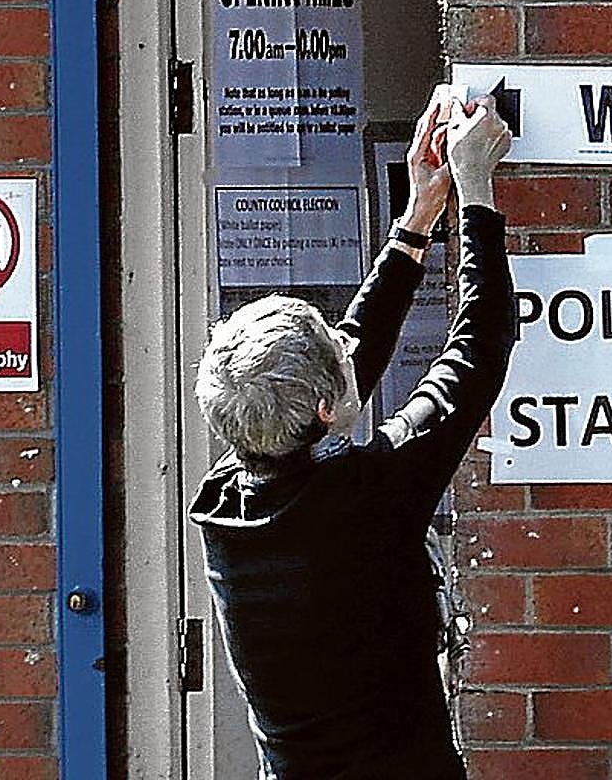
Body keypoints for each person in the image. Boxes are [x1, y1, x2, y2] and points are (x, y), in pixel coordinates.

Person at [189, 86, 515, 779]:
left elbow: (341, 370)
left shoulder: (226, 500)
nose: (347, 348)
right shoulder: (364, 502)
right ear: (324, 413)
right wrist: (477, 194)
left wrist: (418, 217)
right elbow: (475, 355)